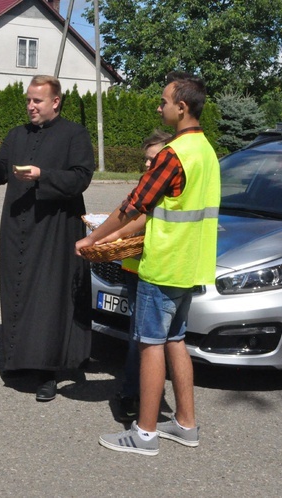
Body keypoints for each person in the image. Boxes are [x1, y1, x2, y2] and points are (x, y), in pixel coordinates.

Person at [76, 72, 220, 455]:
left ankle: (145, 433)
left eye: (164, 101)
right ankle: (186, 424)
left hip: (164, 264)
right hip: (191, 264)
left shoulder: (174, 155)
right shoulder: (206, 151)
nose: (160, 107)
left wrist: (92, 238)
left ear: (181, 107)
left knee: (150, 345)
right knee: (175, 341)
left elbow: (132, 205)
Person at [0, 74, 95, 402]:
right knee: (17, 290)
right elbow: (0, 175)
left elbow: (81, 177)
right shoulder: (17, 135)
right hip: (17, 227)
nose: (30, 106)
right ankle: (19, 360)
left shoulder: (75, 134)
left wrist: (43, 175)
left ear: (55, 102)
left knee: (48, 298)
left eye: (37, 100)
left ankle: (47, 371)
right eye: (28, 100)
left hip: (54, 229)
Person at [100, 130, 172, 422]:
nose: (146, 165)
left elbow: (136, 218)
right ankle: (140, 394)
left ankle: (133, 396)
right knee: (143, 336)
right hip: (134, 267)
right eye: (145, 160)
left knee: (142, 337)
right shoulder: (153, 182)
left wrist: (104, 236)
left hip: (152, 268)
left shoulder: (165, 185)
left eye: (152, 159)